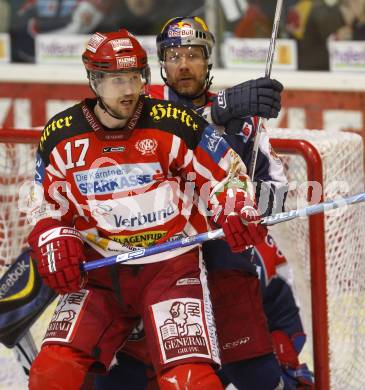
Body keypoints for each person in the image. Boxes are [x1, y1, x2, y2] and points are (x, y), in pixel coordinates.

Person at [26, 28, 268, 389]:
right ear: (94, 80)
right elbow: (41, 202)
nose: (129, 90)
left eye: (136, 77)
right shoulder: (61, 135)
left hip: (169, 267)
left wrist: (235, 206)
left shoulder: (175, 122)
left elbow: (227, 173)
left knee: (190, 381)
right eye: (117, 79)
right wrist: (50, 234)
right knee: (51, 373)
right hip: (99, 273)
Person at [95, 16, 313, 390]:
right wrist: (216, 114)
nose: (183, 64)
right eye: (174, 54)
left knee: (257, 374)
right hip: (154, 263)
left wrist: (248, 208)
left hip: (222, 261)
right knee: (119, 378)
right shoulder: (135, 112)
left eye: (193, 54)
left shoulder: (244, 122)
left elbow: (275, 194)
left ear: (208, 60)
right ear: (160, 64)